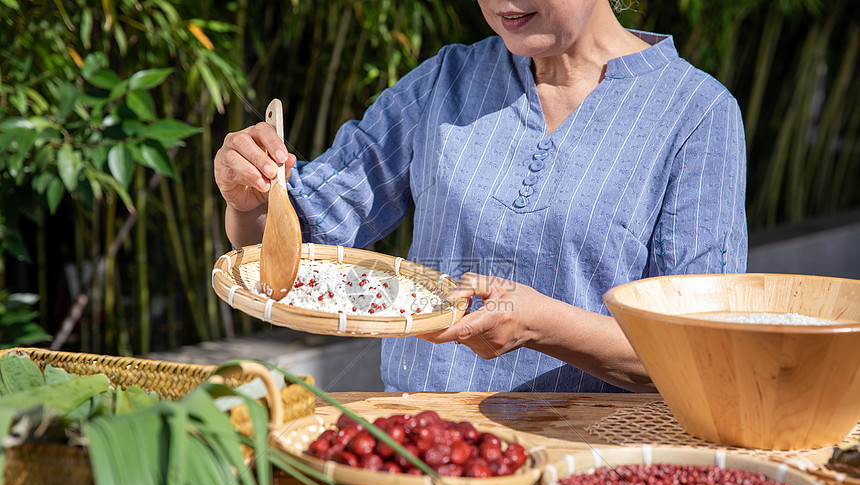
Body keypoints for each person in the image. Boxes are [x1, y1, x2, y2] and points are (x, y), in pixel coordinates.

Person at [214, 0, 747, 394]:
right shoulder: (447, 81)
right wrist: (250, 196)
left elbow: (706, 356)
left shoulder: (695, 114)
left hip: (586, 460)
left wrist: (543, 325)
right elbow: (291, 245)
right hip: (415, 445)